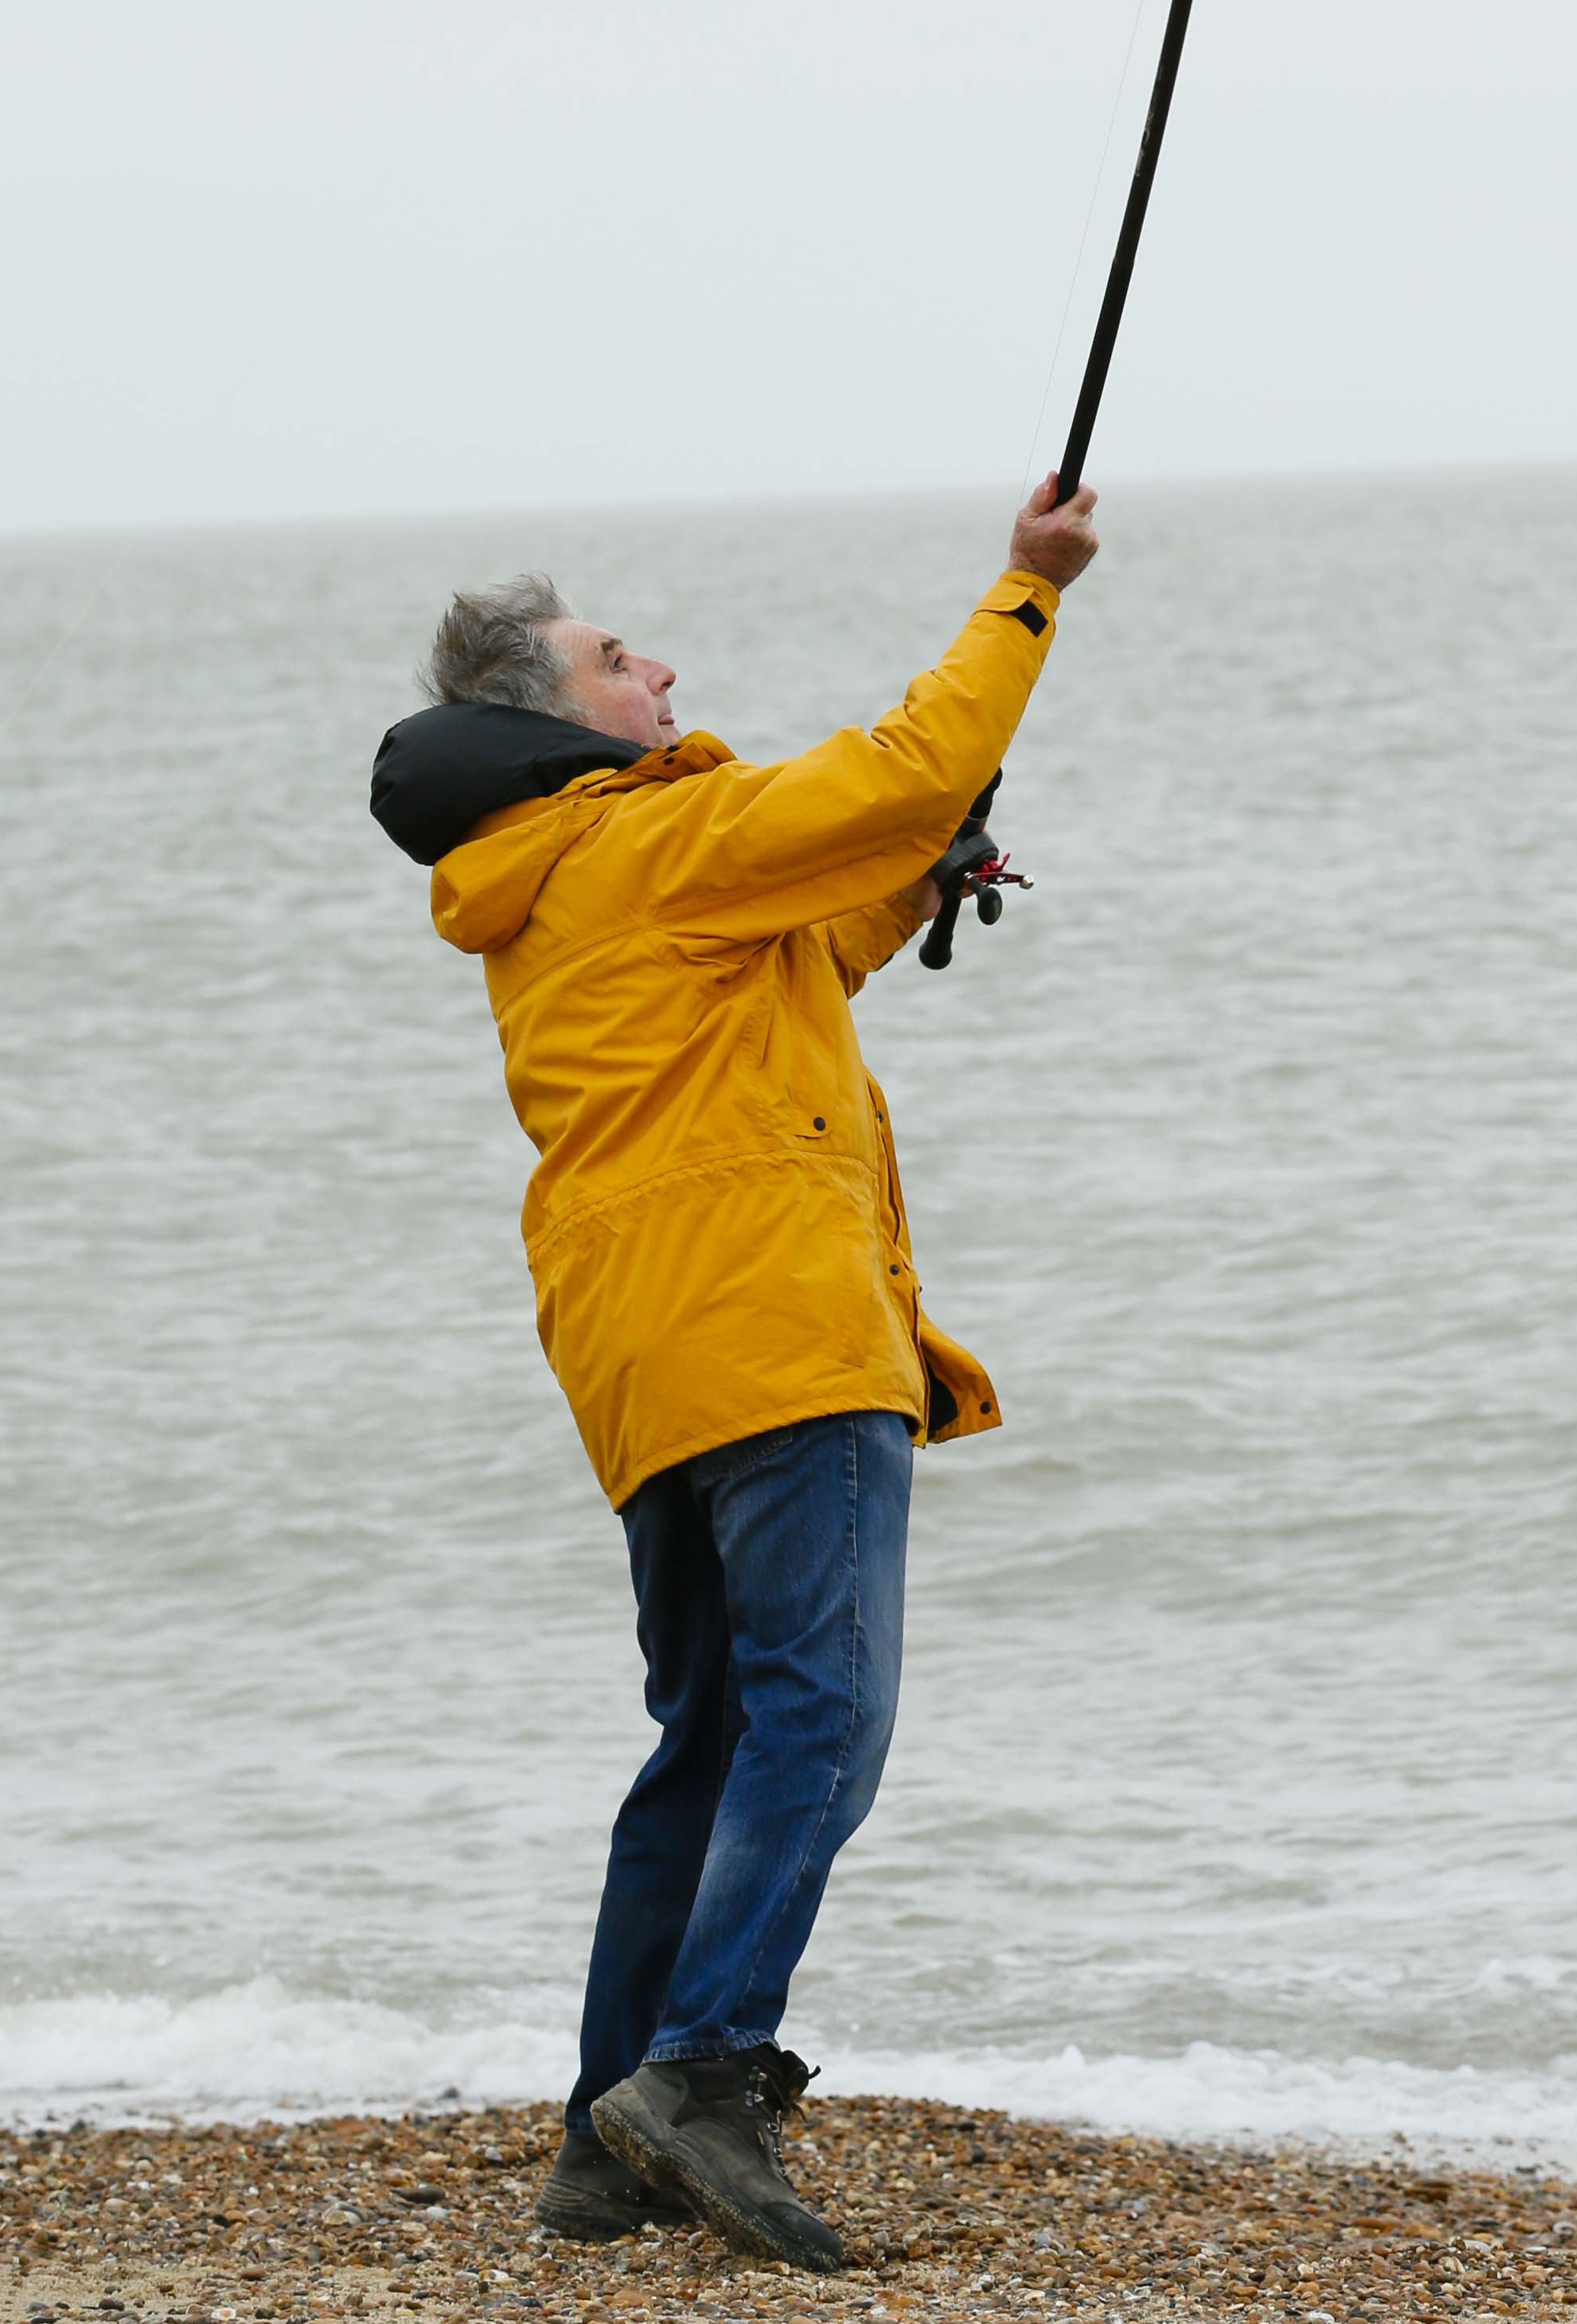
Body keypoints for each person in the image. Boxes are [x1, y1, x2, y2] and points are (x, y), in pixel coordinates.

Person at [367, 476, 1101, 2272]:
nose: (660, 667)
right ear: (548, 725)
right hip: (774, 1334)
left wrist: (904, 885)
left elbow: (788, 947)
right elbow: (904, 763)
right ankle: (697, 2073)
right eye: (619, 658)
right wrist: (1029, 586)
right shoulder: (644, 838)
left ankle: (602, 2138)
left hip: (645, 1359)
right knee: (821, 1719)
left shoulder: (560, 889)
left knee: (706, 1740)